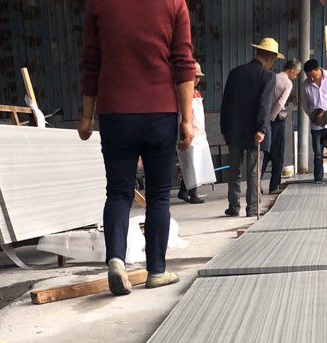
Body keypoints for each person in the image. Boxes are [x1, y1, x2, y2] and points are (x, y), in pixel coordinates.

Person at [80, 0, 196, 296]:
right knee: (158, 197)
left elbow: (91, 63)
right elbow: (183, 62)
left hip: (115, 113)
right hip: (159, 113)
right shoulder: (174, 3)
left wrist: (86, 117)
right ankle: (156, 271)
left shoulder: (98, 4)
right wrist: (187, 119)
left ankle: (116, 260)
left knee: (118, 192)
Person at [220, 38, 279, 217]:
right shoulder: (268, 76)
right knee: (254, 171)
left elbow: (226, 103)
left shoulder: (235, 73)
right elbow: (264, 105)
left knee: (234, 170)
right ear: (270, 58)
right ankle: (252, 208)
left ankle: (233, 207)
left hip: (234, 130)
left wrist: (224, 128)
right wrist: (262, 129)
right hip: (255, 132)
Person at [261, 58, 301, 196]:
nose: (296, 76)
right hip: (276, 120)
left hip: (264, 119)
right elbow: (280, 103)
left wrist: (266, 119)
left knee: (265, 152)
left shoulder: (272, 77)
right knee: (278, 153)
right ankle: (274, 186)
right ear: (292, 70)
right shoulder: (287, 83)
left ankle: (256, 184)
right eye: (296, 73)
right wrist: (272, 118)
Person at [300, 59, 327, 183]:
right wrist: (314, 117)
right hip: (316, 126)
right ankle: (318, 179)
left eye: (314, 76)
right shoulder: (305, 85)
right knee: (318, 153)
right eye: (309, 77)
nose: (312, 79)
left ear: (319, 69)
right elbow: (305, 105)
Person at [178, 62, 213, 204]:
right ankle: (193, 194)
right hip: (189, 131)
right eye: (195, 76)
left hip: (199, 132)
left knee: (195, 163)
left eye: (198, 77)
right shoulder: (182, 93)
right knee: (191, 163)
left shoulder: (196, 92)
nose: (197, 79)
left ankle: (184, 190)